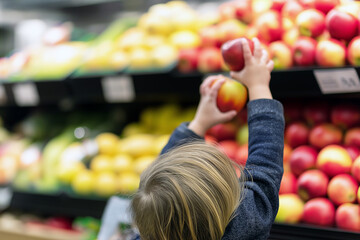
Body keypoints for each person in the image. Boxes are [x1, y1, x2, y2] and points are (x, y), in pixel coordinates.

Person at [130, 38, 285, 240]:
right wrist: (258, 85)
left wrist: (199, 123)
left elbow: (163, 180)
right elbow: (266, 162)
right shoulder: (245, 222)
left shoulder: (151, 232)